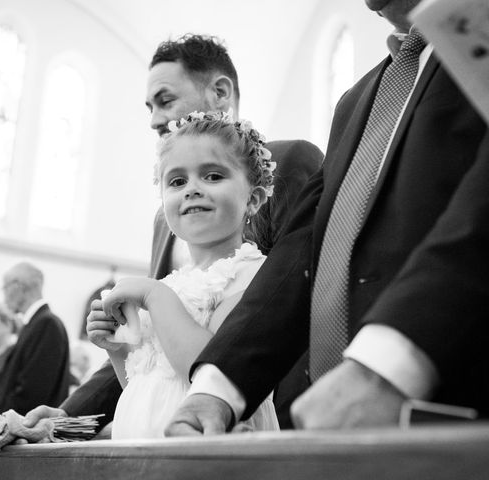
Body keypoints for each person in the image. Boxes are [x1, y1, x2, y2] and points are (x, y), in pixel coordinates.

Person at [164, 0, 489, 436]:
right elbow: (304, 248)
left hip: (454, 402)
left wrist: (387, 366)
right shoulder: (356, 101)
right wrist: (217, 389)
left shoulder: (474, 36)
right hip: (330, 417)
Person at [35, 34, 323, 432]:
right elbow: (152, 360)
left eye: (165, 100)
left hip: (245, 413)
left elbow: (289, 294)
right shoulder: (164, 220)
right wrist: (69, 417)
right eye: (150, 107)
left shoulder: (289, 163)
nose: (154, 118)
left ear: (220, 92)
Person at [88, 111, 279, 439]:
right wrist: (117, 349)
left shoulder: (253, 274)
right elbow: (147, 389)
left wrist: (153, 295)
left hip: (204, 449)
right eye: (177, 181)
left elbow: (213, 371)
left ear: (254, 199)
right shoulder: (172, 283)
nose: (192, 189)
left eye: (213, 176)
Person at [0, 262, 72, 415]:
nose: (3, 296)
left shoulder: (46, 324)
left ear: (18, 287)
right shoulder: (36, 322)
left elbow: (33, 389)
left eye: (4, 288)